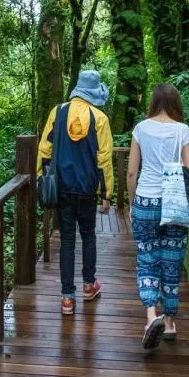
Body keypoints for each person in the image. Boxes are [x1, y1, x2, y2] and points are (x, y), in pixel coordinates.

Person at [36, 70, 115, 316]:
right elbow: (104, 159)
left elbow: (45, 150)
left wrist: (41, 177)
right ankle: (89, 285)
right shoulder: (99, 118)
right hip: (87, 190)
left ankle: (67, 298)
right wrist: (106, 194)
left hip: (62, 188)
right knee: (89, 236)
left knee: (67, 241)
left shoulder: (57, 112)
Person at [126, 83, 189, 350]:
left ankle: (150, 317)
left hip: (146, 199)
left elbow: (132, 171)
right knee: (172, 260)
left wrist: (132, 203)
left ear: (153, 103)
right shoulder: (182, 130)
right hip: (174, 203)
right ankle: (168, 322)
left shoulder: (141, 129)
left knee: (147, 257)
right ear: (176, 103)